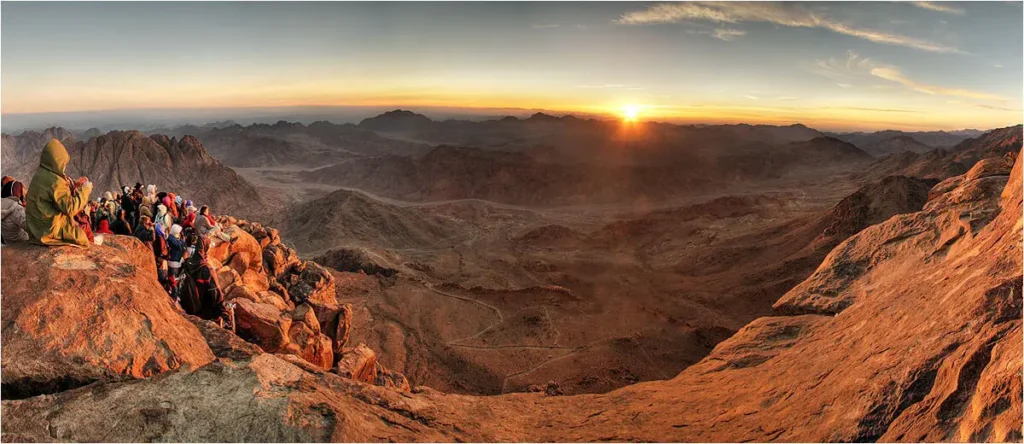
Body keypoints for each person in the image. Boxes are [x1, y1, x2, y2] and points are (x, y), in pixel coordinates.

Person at [25, 139, 93, 247]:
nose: (64, 167)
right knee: (82, 238)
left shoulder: (40, 174)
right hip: (48, 231)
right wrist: (85, 189)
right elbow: (70, 208)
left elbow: (53, 194)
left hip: (35, 230)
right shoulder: (55, 181)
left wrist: (73, 185)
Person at [179, 236, 230, 328]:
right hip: (204, 310)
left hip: (190, 304)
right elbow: (215, 291)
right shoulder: (206, 269)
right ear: (206, 249)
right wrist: (223, 311)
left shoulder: (189, 262)